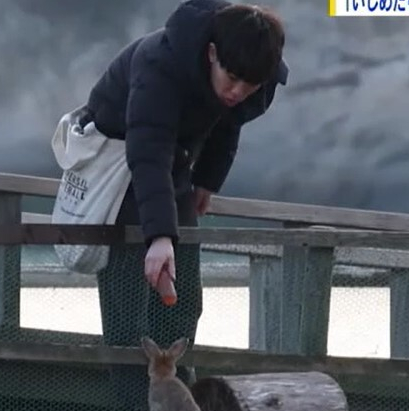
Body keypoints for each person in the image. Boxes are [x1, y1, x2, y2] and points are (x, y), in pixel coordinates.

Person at [79, 0, 288, 409]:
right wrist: (158, 236)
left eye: (249, 86)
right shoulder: (160, 65)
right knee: (129, 312)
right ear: (212, 53)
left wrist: (208, 179)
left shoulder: (253, 81)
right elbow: (147, 149)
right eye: (231, 78)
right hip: (122, 159)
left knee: (183, 300)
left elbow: (230, 121)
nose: (237, 91)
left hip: (177, 163)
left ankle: (182, 398)